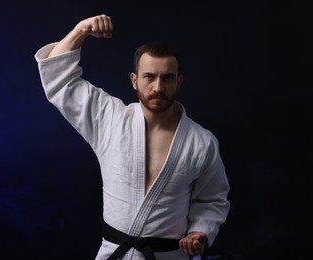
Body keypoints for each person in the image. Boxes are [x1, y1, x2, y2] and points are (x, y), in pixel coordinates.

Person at [35, 14, 230, 260]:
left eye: (167, 78)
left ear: (179, 82)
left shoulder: (202, 142)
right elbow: (57, 79)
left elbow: (212, 198)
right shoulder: (109, 119)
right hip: (113, 253)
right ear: (134, 80)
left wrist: (200, 231)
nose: (158, 88)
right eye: (149, 77)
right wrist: (80, 30)